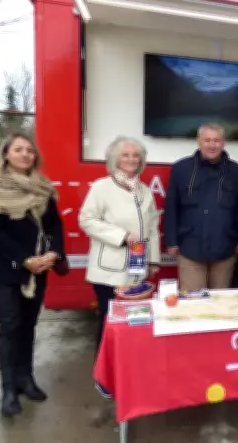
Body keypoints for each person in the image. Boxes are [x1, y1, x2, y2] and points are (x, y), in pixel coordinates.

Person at [0, 132, 66, 418]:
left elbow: (54, 226)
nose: (26, 154)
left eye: (30, 150)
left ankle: (26, 380)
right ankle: (8, 390)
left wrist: (53, 253)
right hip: (6, 271)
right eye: (18, 150)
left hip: (38, 269)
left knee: (28, 325)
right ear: (6, 155)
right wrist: (24, 259)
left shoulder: (42, 188)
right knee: (10, 325)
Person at [79, 136, 161, 398]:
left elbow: (151, 229)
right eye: (125, 155)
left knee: (133, 324)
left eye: (136, 155)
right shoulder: (102, 187)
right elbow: (87, 220)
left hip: (136, 269)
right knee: (109, 322)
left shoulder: (144, 191)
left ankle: (127, 371)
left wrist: (153, 259)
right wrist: (121, 236)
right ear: (115, 159)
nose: (131, 160)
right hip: (108, 269)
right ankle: (104, 377)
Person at [164, 123, 238, 291]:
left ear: (223, 143)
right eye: (207, 140)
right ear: (198, 141)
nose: (212, 145)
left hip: (225, 249)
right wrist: (171, 241)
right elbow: (172, 207)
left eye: (216, 140)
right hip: (190, 248)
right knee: (193, 304)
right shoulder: (181, 169)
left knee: (220, 303)